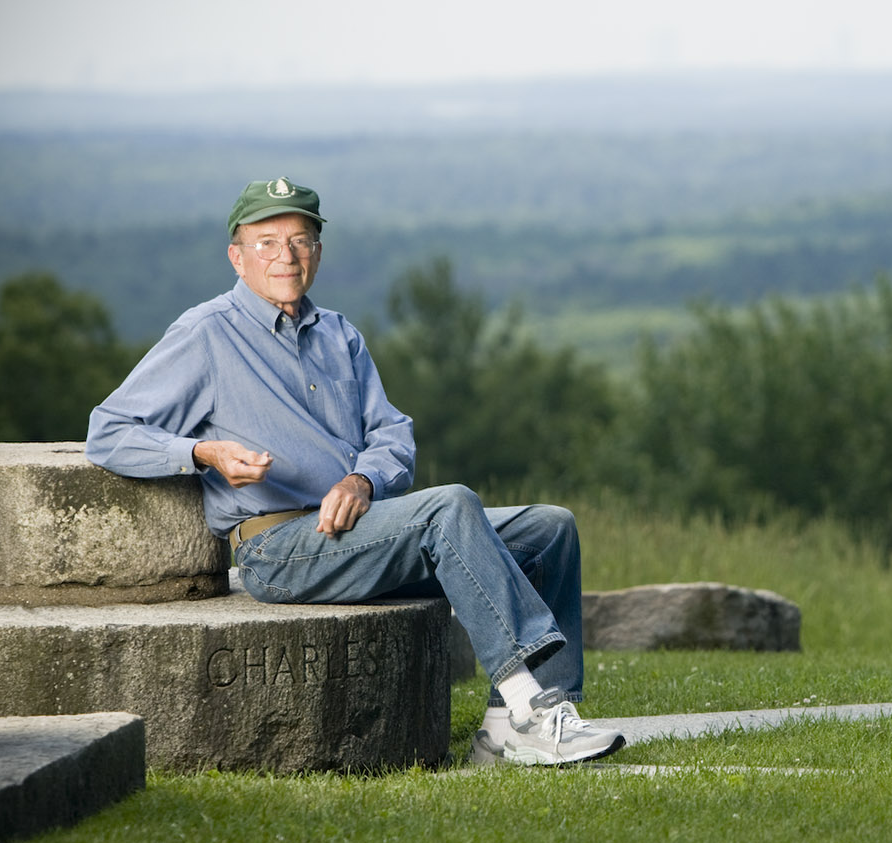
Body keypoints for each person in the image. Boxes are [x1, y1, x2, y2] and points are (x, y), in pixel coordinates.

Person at [86, 176, 623, 767]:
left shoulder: (340, 334)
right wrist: (201, 454)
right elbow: (108, 431)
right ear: (237, 257)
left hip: (365, 531)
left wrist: (360, 480)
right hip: (281, 549)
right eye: (266, 242)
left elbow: (392, 434)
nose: (285, 256)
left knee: (550, 528)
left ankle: (512, 726)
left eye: (300, 240)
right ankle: (531, 710)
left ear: (317, 251)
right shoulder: (205, 334)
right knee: (450, 505)